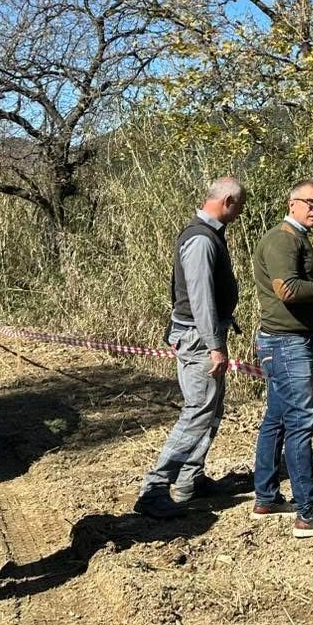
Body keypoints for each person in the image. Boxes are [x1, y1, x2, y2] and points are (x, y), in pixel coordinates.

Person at [135, 175, 247, 519]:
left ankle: (189, 479)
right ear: (227, 201)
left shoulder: (207, 234)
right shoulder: (201, 239)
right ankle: (154, 489)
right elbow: (199, 298)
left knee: (211, 410)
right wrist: (215, 345)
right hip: (200, 339)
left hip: (203, 336)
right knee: (198, 411)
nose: (239, 214)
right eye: (239, 207)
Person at [249, 179, 313, 537]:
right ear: (292, 203)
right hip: (287, 344)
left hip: (289, 342)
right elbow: (286, 289)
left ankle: (267, 497)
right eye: (309, 202)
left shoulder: (296, 238)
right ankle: (307, 510)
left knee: (278, 419)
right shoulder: (283, 240)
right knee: (301, 422)